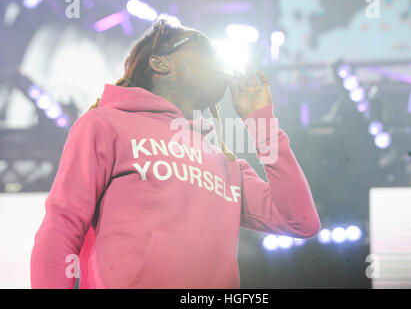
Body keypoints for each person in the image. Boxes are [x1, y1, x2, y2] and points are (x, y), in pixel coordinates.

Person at [30, 19, 320, 289]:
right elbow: (62, 226)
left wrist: (261, 122)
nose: (218, 60)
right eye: (205, 49)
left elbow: (300, 221)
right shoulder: (106, 124)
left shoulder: (226, 162)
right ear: (160, 63)